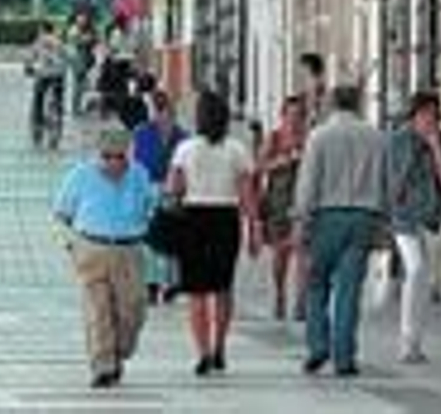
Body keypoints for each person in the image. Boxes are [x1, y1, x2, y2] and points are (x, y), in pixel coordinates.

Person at [293, 83, 388, 378]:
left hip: (326, 217)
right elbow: (384, 181)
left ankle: (318, 345)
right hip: (362, 217)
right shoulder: (376, 137)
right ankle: (345, 356)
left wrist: (302, 219)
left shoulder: (319, 136)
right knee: (349, 289)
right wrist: (382, 219)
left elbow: (308, 182)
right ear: (358, 104)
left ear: (332, 104)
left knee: (316, 282)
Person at [54, 125, 156, 389]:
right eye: (107, 156)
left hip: (129, 250)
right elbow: (61, 212)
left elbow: (150, 208)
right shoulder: (81, 175)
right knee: (98, 310)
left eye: (120, 157)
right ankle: (103, 366)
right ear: (99, 154)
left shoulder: (139, 175)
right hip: (92, 249)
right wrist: (71, 243)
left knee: (133, 309)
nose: (114, 163)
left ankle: (119, 351)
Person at [167, 92, 258, 376]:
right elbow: (247, 195)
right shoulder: (237, 149)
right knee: (222, 288)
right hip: (225, 219)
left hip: (194, 218)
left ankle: (203, 352)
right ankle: (220, 346)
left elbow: (174, 189)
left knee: (196, 292)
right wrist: (254, 229)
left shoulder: (185, 149)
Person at [387, 90, 441, 363]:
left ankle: (416, 341)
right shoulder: (398, 141)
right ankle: (406, 341)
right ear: (413, 116)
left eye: (434, 115)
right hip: (405, 218)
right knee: (415, 269)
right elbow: (394, 183)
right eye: (424, 115)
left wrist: (436, 148)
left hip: (433, 218)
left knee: (424, 280)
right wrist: (416, 150)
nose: (430, 121)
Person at [258, 93, 310, 321]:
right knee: (281, 255)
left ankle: (301, 301)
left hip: (303, 201)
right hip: (278, 201)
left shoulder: (310, 139)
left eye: (299, 116)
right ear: (282, 116)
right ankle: (279, 293)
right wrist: (279, 162)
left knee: (304, 254)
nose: (294, 120)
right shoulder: (274, 138)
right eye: (290, 115)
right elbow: (259, 167)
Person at [132, 91, 188, 304]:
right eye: (159, 111)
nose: (163, 117)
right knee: (150, 241)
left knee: (171, 241)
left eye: (167, 112)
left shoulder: (182, 136)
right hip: (150, 190)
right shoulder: (142, 133)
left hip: (173, 192)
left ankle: (172, 283)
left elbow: (184, 168)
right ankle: (152, 283)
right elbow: (137, 165)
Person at [26, 21, 69, 148]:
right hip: (58, 75)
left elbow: (30, 57)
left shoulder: (38, 42)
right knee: (58, 98)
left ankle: (38, 124)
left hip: (43, 74)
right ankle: (58, 117)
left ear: (42, 30)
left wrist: (28, 68)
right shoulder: (59, 41)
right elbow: (66, 56)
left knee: (38, 100)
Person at [298, 52, 329, 120]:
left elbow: (317, 100)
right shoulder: (311, 79)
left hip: (315, 115)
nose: (302, 70)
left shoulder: (317, 80)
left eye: (304, 66)